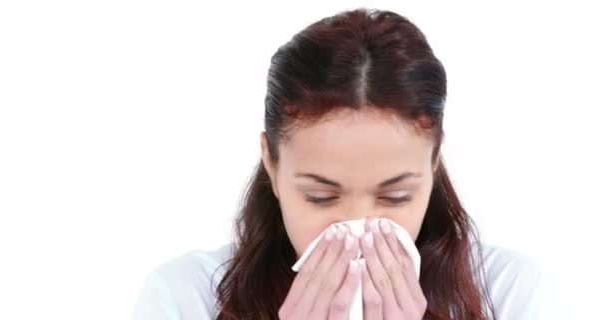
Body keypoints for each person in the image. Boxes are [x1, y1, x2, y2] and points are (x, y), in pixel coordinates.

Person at [133, 8, 543, 320]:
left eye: (396, 196)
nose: (357, 229)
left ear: (434, 164)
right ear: (272, 167)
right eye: (321, 197)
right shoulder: (186, 296)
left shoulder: (510, 293)